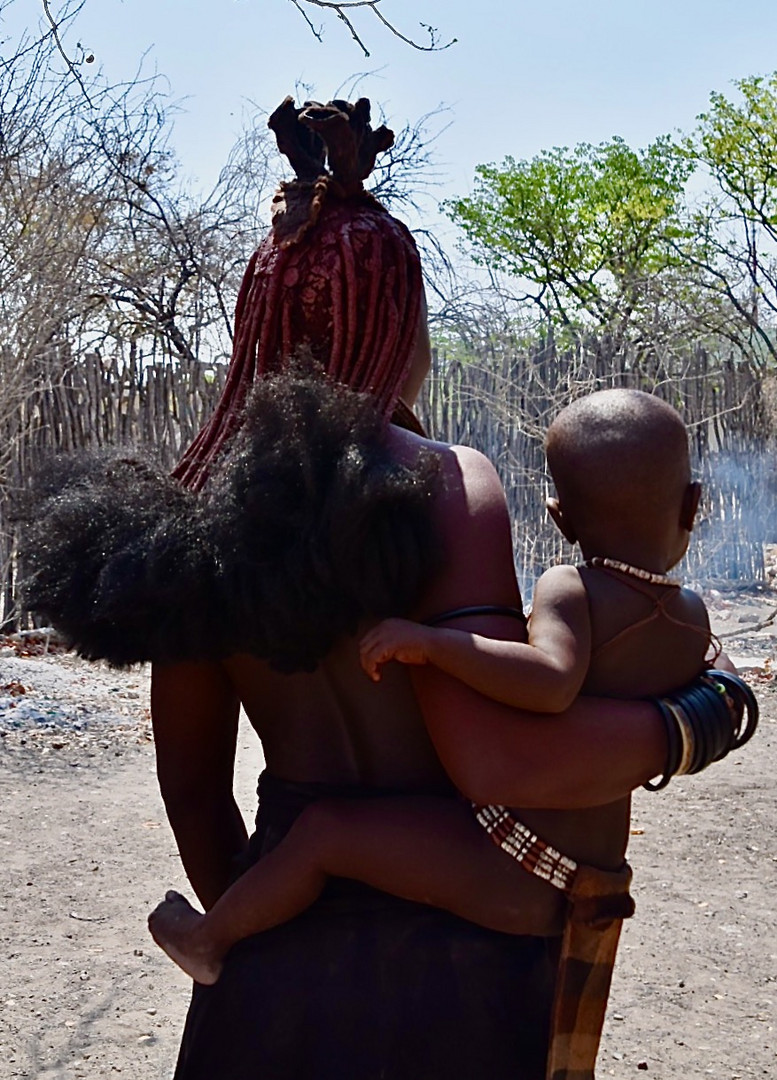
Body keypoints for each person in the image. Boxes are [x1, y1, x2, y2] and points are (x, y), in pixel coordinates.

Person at [20, 97, 755, 1080]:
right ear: (397, 324)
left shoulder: (192, 515)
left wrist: (267, 926)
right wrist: (702, 715)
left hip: (271, 952)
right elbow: (496, 758)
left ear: (259, 318)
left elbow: (194, 792)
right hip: (460, 964)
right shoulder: (449, 486)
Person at [145, 388, 715, 983]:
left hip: (520, 860)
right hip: (587, 869)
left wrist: (436, 645)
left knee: (326, 831)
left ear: (559, 518)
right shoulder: (693, 615)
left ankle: (210, 939)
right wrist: (711, 718)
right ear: (694, 504)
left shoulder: (568, 588)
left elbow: (549, 685)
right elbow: (698, 695)